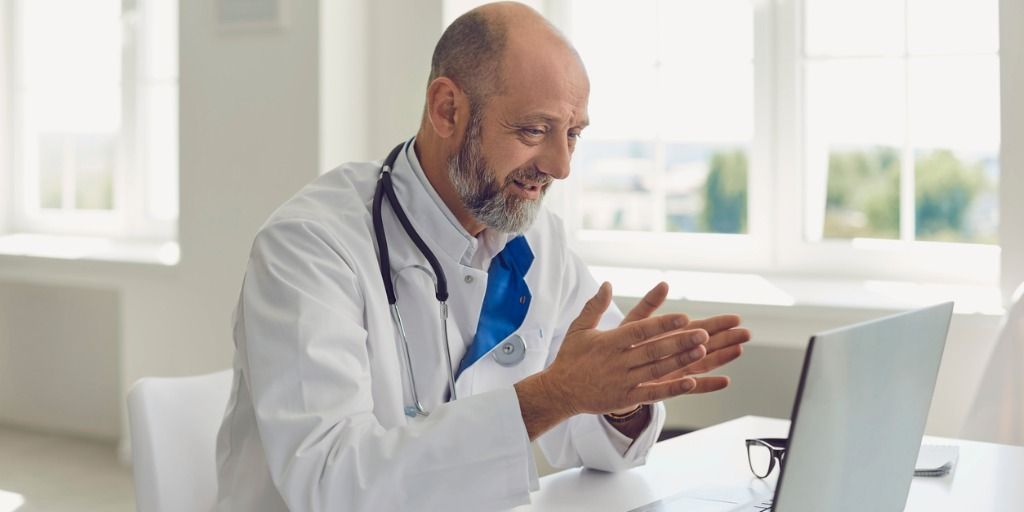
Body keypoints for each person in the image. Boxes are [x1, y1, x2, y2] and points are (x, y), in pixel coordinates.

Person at [215, 2, 751, 511]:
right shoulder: (309, 246)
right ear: (447, 109)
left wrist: (621, 398)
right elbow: (331, 485)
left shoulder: (540, 243)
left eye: (573, 134)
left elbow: (604, 453)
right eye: (534, 130)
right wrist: (554, 395)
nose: (561, 166)